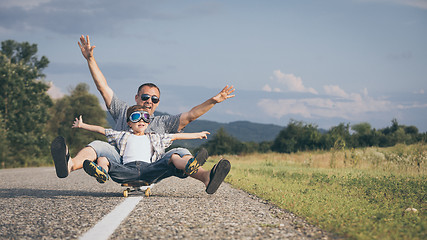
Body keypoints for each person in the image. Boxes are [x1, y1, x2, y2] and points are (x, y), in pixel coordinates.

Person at [50, 35, 235, 182]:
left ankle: (205, 176)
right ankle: (70, 165)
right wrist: (90, 59)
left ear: (158, 102)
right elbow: (103, 88)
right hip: (120, 163)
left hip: (153, 166)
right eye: (145, 97)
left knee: (177, 153)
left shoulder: (163, 122)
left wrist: (214, 100)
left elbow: (191, 115)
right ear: (137, 98)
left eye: (154, 99)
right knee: (99, 146)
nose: (149, 101)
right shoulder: (124, 110)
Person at [71, 105, 230, 194]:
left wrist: (197, 135)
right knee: (104, 159)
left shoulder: (155, 137)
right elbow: (101, 130)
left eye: (145, 118)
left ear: (148, 122)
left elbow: (176, 137)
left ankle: (189, 165)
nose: (141, 120)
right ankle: (101, 172)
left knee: (173, 157)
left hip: (151, 169)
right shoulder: (121, 135)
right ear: (129, 123)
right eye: (135, 117)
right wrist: (82, 125)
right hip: (125, 170)